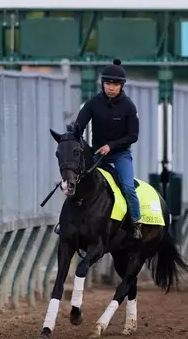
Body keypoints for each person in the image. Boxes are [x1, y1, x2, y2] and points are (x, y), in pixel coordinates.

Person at [55, 58, 142, 239]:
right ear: (102, 84)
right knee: (75, 182)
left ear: (121, 86)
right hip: (96, 154)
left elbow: (133, 136)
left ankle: (136, 222)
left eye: (115, 84)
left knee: (128, 187)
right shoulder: (93, 103)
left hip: (120, 155)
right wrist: (72, 136)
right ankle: (64, 222)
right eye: (108, 83)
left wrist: (111, 146)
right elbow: (79, 125)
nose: (111, 87)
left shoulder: (129, 107)